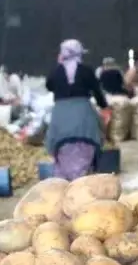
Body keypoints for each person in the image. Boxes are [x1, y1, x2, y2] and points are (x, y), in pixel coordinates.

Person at [45, 39, 109, 180]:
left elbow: (49, 86)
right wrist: (104, 107)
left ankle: (64, 185)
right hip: (83, 116)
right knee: (84, 151)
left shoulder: (55, 72)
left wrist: (60, 65)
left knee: (62, 153)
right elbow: (97, 91)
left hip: (60, 116)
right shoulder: (86, 70)